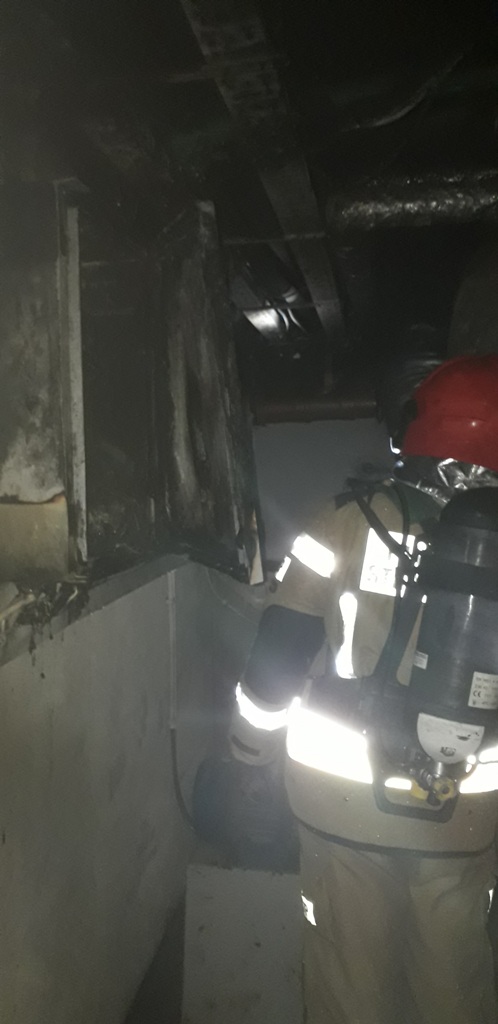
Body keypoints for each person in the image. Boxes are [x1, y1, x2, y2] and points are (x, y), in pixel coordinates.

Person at [229, 353, 498, 1024]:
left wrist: (248, 755)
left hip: (343, 802)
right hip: (464, 811)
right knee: (453, 988)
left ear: (417, 429)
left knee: (351, 985)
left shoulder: (344, 520)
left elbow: (279, 652)